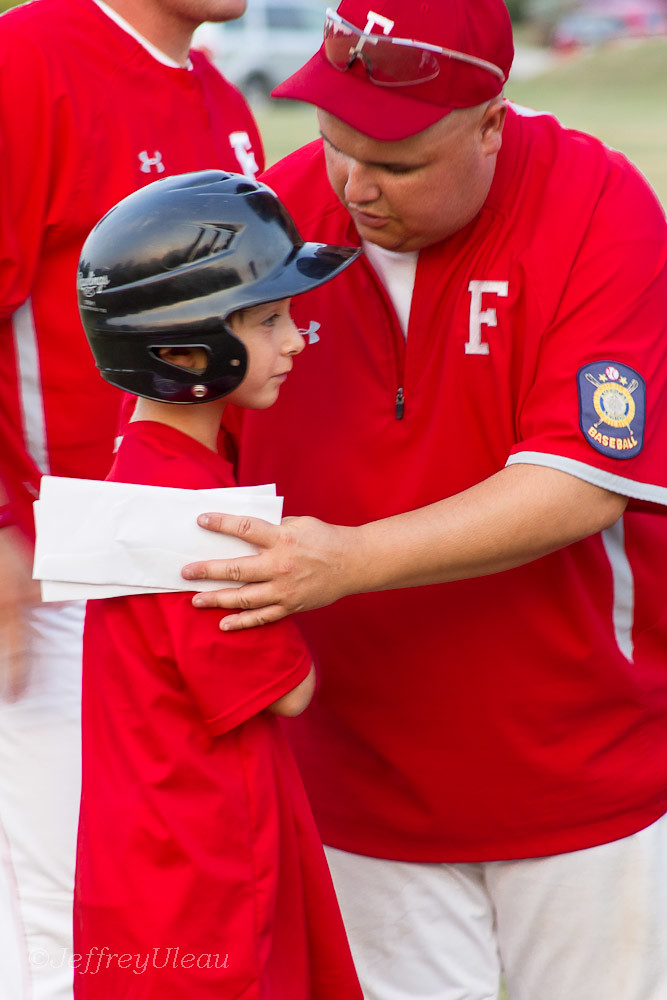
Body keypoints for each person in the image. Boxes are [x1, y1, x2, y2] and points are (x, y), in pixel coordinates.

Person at [178, 2, 667, 999]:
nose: (353, 185)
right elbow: (187, 448)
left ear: (489, 121)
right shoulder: (273, 213)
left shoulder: (597, 203)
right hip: (351, 783)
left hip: (582, 776)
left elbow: (577, 482)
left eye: (395, 162)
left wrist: (348, 559)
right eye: (334, 142)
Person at [0, 2, 264, 997]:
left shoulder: (222, 99)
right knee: (57, 918)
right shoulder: (28, 60)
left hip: (170, 567)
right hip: (49, 566)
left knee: (166, 911)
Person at [72, 170, 361, 999]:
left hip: (152, 853)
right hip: (209, 882)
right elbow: (291, 693)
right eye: (269, 320)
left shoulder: (142, 467)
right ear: (184, 347)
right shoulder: (193, 517)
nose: (296, 339)